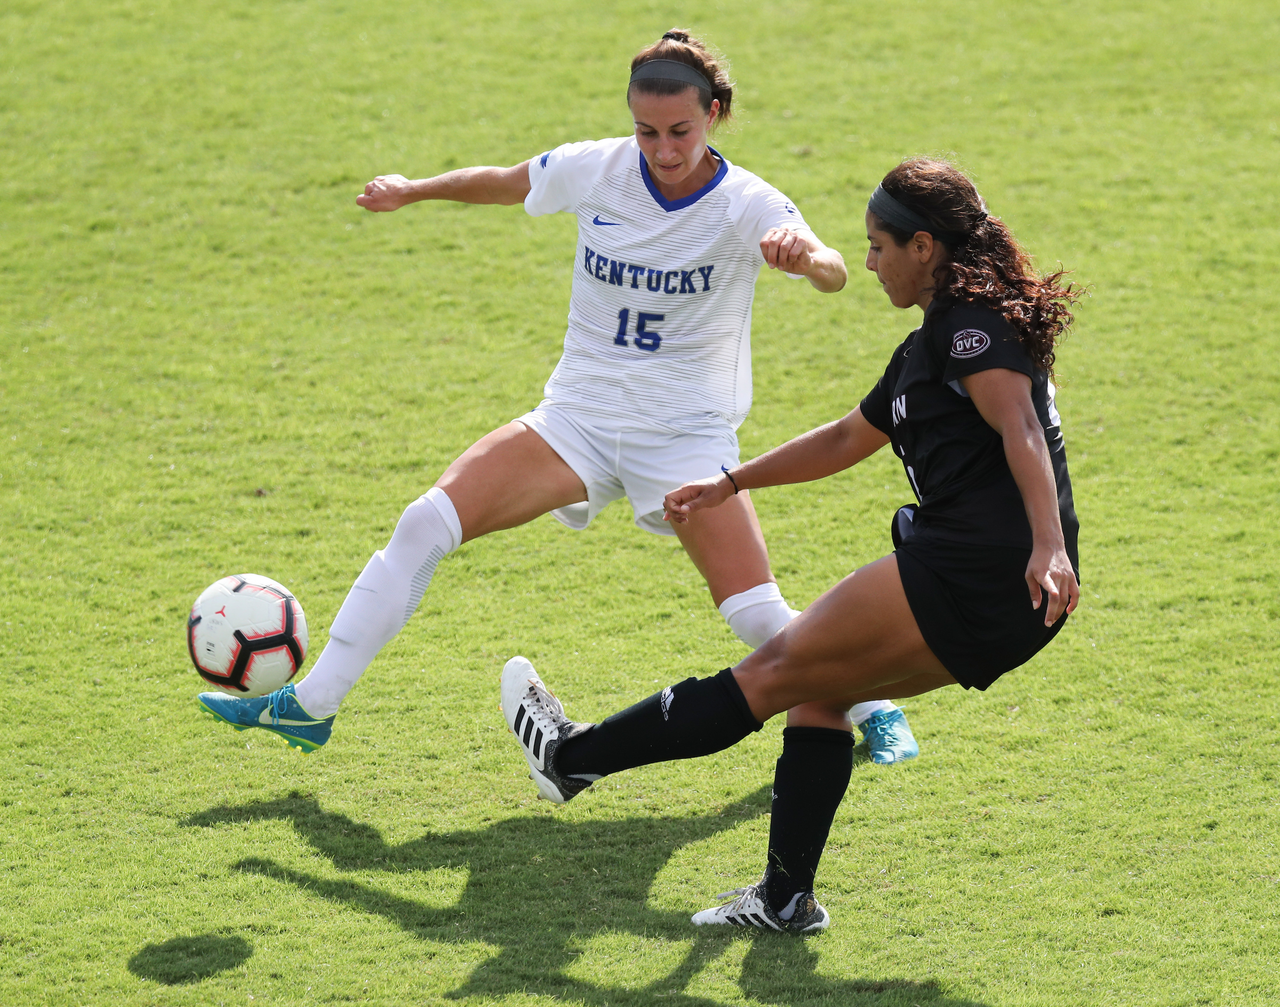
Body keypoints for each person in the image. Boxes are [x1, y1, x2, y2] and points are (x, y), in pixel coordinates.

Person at [195, 30, 920, 762]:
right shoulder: (597, 168)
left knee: (753, 611)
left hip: (683, 441)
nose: (663, 149)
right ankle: (311, 705)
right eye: (647, 130)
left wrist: (809, 259)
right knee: (424, 523)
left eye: (680, 131)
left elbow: (829, 268)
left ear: (716, 114)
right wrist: (414, 189)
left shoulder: (746, 202)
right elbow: (506, 179)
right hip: (574, 420)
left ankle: (872, 702)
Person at [500, 156, 1081, 933]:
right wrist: (731, 483)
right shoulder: (930, 346)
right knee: (821, 691)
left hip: (978, 569)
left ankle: (571, 757)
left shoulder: (971, 331)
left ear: (924, 247)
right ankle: (784, 899)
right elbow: (848, 436)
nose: (869, 261)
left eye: (879, 245)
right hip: (1008, 596)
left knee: (770, 672)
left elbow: (1019, 430)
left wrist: (1047, 544)